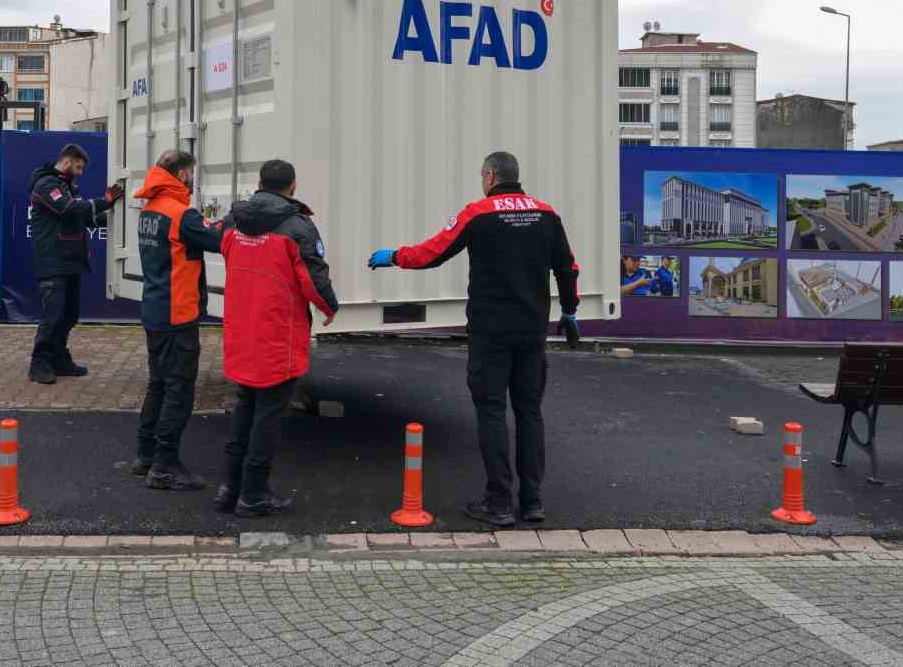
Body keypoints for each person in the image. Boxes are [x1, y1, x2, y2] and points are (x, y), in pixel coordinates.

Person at [368, 150, 579, 528]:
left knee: (492, 411)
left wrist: (394, 256)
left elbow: (432, 252)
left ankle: (498, 502)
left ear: (491, 176)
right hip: (532, 331)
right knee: (530, 412)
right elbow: (567, 265)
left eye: (483, 176)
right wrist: (570, 310)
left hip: (490, 331)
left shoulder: (477, 213)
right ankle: (532, 502)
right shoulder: (547, 213)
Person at [214, 159, 338, 517]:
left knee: (245, 408)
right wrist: (330, 308)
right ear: (293, 186)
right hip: (277, 335)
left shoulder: (234, 221)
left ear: (260, 183)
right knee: (267, 417)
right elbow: (314, 279)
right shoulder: (298, 227)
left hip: (242, 330)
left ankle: (229, 488)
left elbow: (224, 249)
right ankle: (253, 495)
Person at [132, 149, 223, 490]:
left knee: (158, 385)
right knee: (179, 391)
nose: (193, 178)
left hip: (155, 310)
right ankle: (165, 466)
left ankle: (145, 455)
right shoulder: (181, 214)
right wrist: (231, 219)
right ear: (183, 175)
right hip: (177, 314)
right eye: (191, 173)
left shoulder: (150, 210)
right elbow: (216, 240)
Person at [27, 143, 122, 383]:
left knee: (69, 315)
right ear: (67, 162)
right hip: (52, 262)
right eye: (78, 167)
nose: (80, 173)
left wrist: (120, 221)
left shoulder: (67, 186)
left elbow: (85, 217)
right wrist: (105, 201)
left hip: (70, 262)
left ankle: (59, 359)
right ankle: (39, 364)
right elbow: (69, 209)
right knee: (53, 316)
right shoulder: (46, 185)